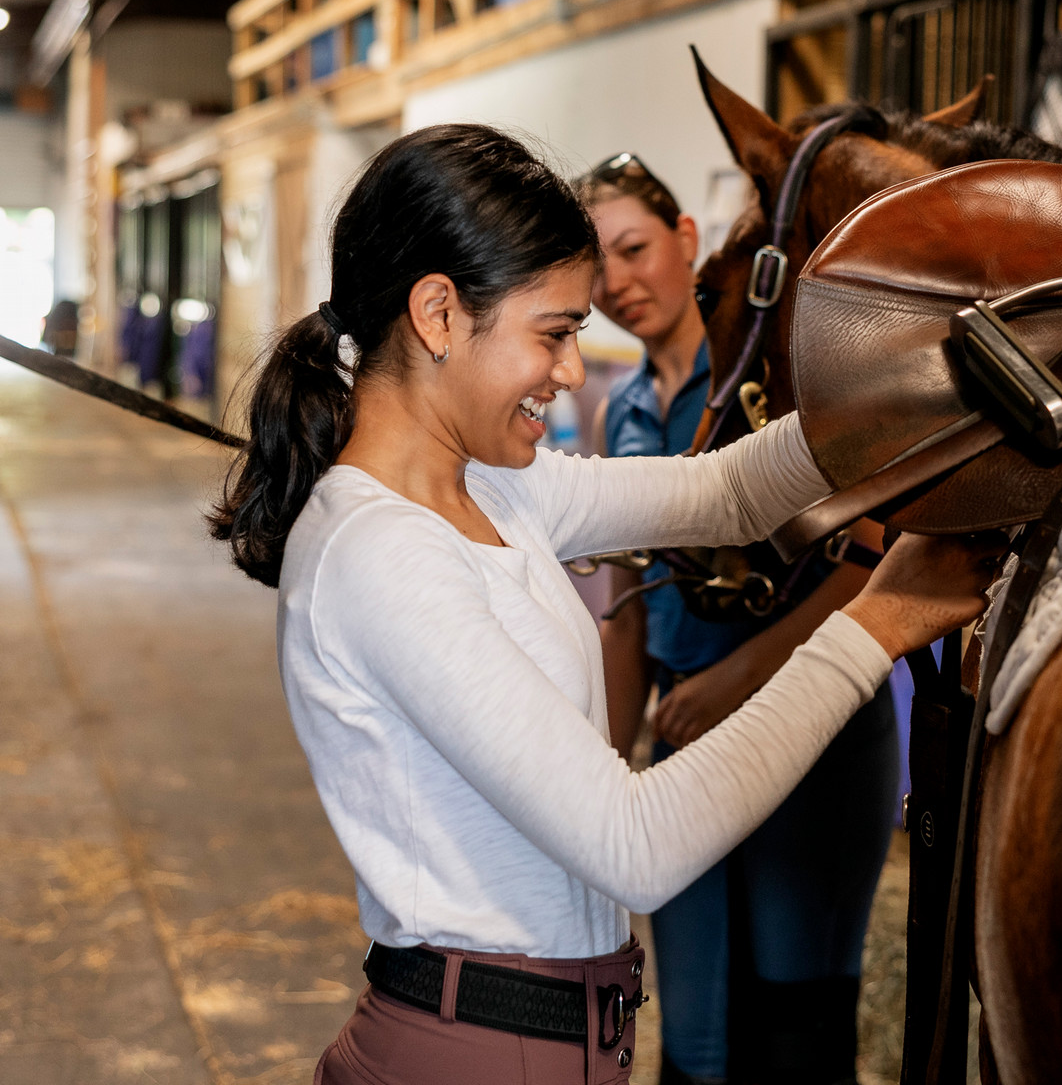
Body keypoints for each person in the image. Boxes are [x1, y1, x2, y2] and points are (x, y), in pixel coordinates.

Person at [207, 125, 998, 1085]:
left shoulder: (494, 488)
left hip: (557, 1041)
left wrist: (921, 391)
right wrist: (877, 624)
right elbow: (639, 846)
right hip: (476, 1056)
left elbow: (730, 493)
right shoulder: (379, 553)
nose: (575, 372)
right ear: (439, 314)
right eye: (556, 332)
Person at [578, 153, 896, 1085]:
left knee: (793, 1026)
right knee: (697, 1040)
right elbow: (629, 616)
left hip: (808, 733)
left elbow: (871, 571)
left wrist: (733, 680)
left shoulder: (781, 387)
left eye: (634, 250)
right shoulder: (622, 413)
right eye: (595, 272)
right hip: (684, 737)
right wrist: (601, 771)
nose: (618, 285)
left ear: (687, 243)